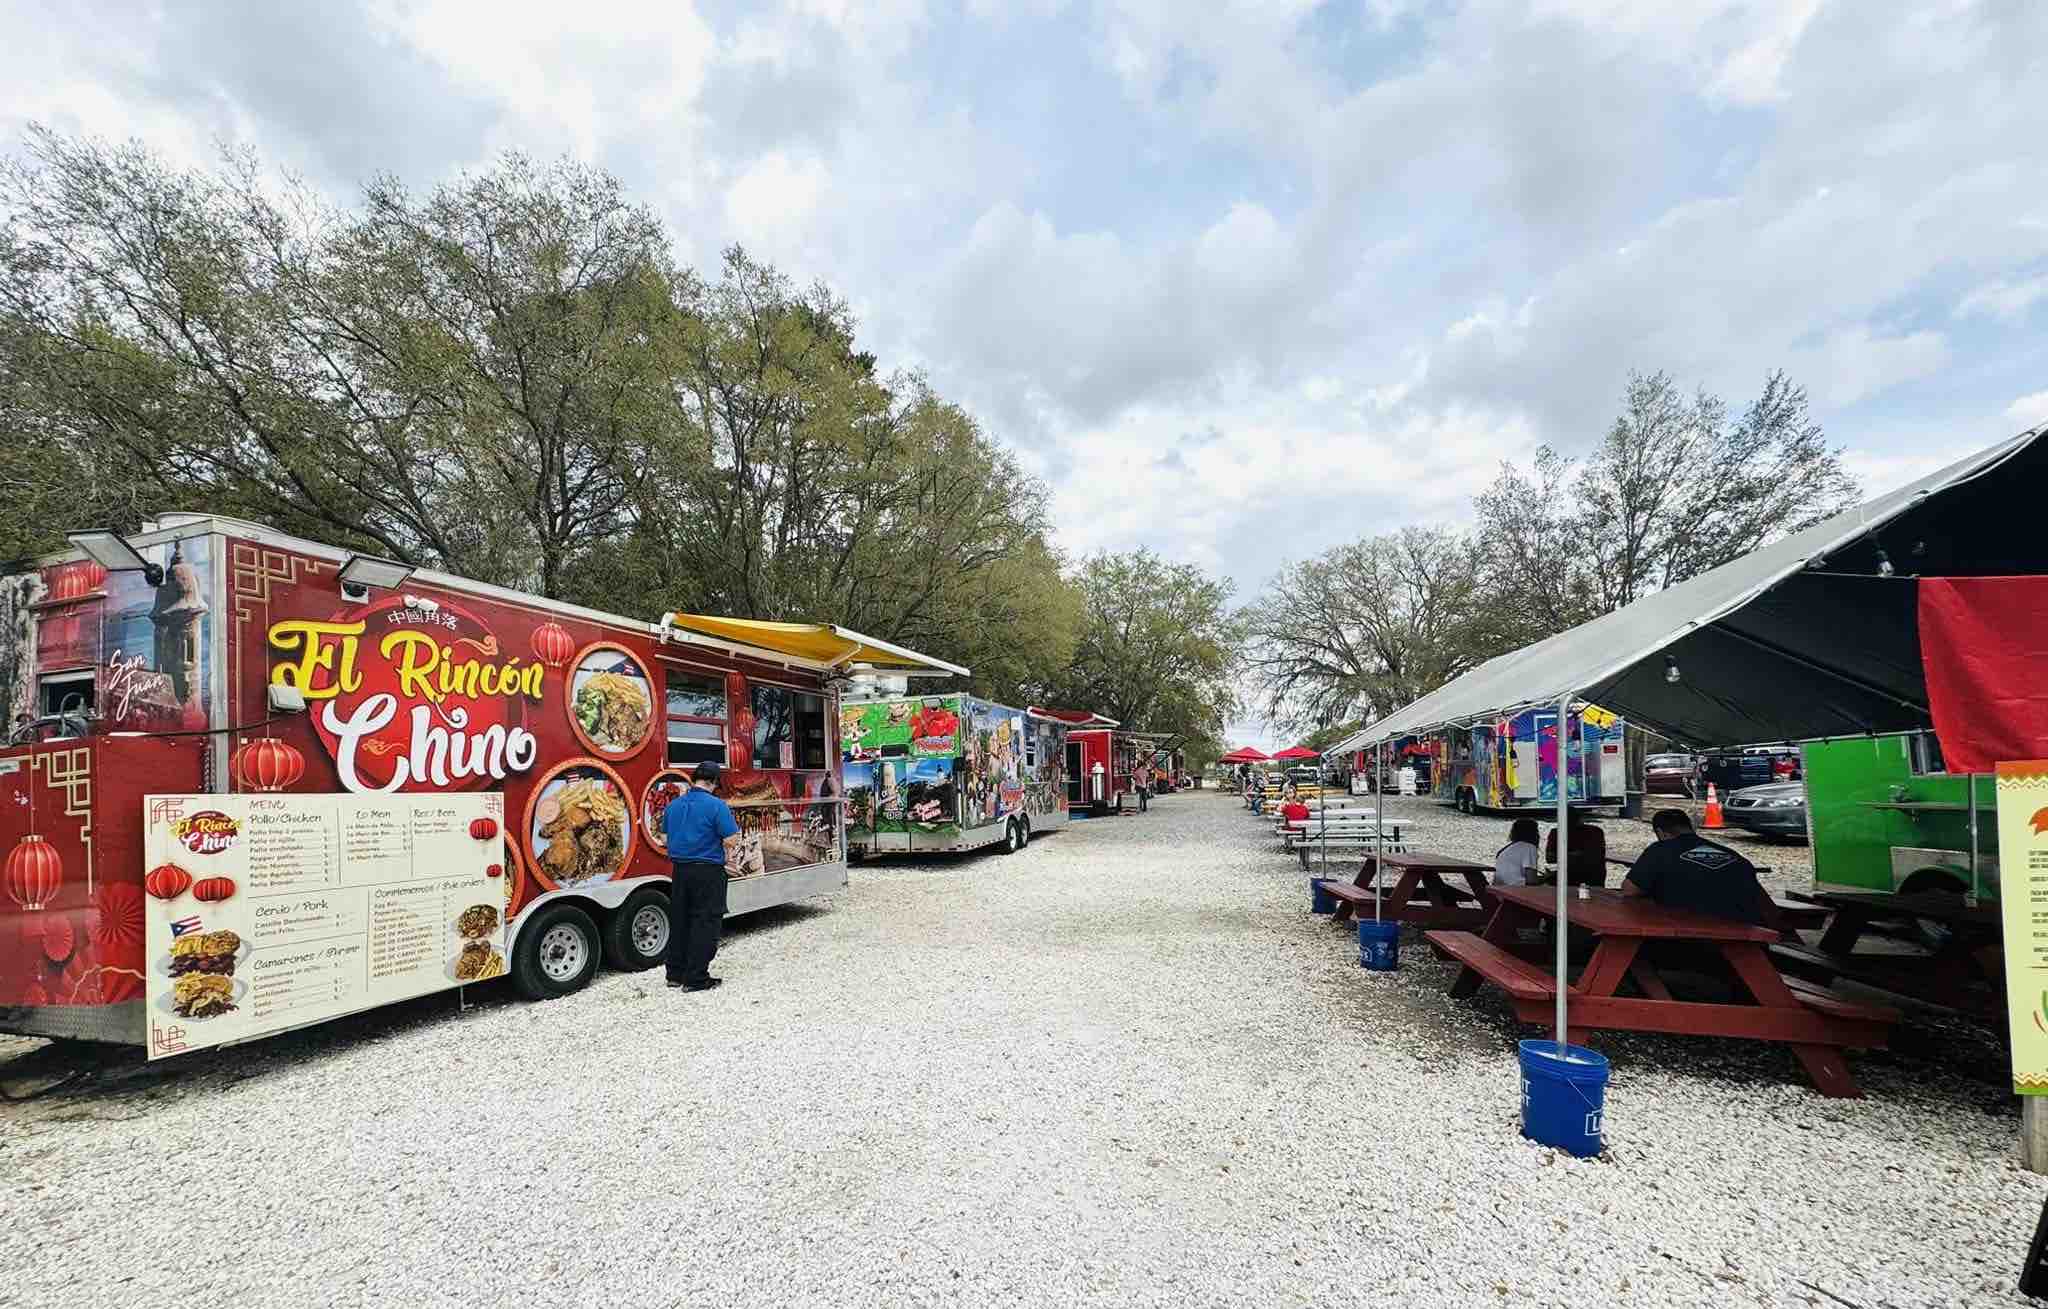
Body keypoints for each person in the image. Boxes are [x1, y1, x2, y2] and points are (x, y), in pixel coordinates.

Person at [662, 760, 742, 991]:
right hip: (708, 871)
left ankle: (675, 974)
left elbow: (665, 838)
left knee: (681, 920)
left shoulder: (673, 806)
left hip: (679, 871)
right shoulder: (717, 806)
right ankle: (697, 978)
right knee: (705, 921)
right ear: (714, 782)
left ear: (694, 779)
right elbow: (731, 839)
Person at [1620, 808, 1769, 925]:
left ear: (1661, 833)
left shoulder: (1660, 849)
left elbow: (1630, 890)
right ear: (1690, 828)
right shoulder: (1733, 855)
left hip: (1698, 939)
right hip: (1749, 930)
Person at [1544, 809, 1609, 886]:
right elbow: (1550, 858)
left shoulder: (1556, 833)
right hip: (1594, 876)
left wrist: (1567, 855)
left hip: (1572, 876)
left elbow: (1550, 858)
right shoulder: (1596, 831)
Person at [1492, 818, 1542, 886]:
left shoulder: (1506, 849)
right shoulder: (1530, 848)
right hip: (1515, 890)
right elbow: (1531, 880)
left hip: (1499, 889)